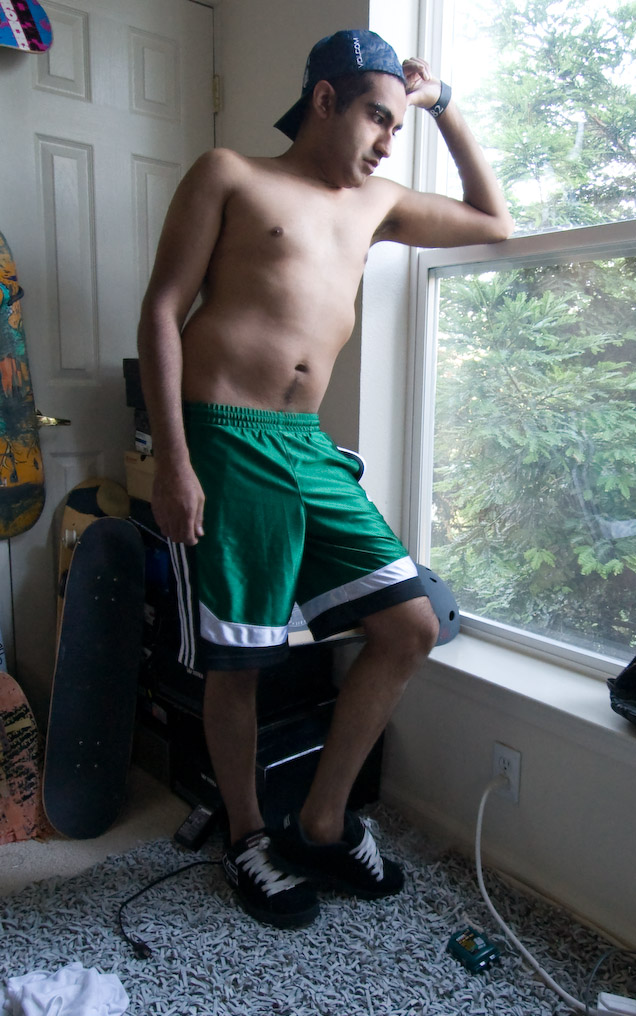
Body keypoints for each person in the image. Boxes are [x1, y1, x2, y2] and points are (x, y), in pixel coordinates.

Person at [137, 28, 513, 929]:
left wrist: (441, 103)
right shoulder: (231, 174)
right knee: (241, 657)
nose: (387, 142)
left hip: (307, 446)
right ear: (323, 100)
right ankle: (247, 837)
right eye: (378, 118)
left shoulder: (377, 203)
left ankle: (324, 821)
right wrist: (171, 458)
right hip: (224, 436)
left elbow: (494, 222)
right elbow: (161, 309)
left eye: (397, 127)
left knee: (410, 626)